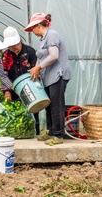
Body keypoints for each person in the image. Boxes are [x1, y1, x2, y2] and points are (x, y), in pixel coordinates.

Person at [25, 13, 71, 145]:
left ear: (39, 25)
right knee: (49, 105)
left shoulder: (52, 34)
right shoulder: (42, 39)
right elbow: (41, 56)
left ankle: (58, 134)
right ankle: (51, 131)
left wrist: (38, 67)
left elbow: (54, 56)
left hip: (58, 74)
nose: (32, 31)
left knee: (57, 105)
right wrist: (37, 71)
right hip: (48, 76)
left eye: (33, 28)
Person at [1, 26, 40, 135]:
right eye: (10, 47)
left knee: (33, 114)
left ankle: (34, 135)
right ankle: (16, 135)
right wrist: (7, 91)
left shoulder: (30, 52)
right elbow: (4, 74)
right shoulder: (6, 55)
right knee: (15, 115)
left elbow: (36, 71)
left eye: (15, 46)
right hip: (13, 89)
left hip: (30, 88)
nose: (13, 49)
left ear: (19, 41)